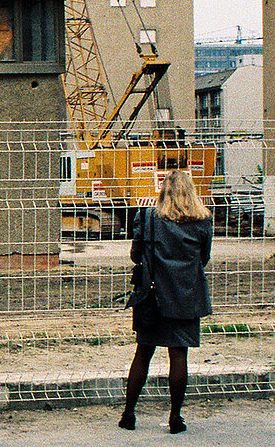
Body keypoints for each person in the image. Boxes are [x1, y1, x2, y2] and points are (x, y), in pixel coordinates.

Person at [122, 166, 212, 433]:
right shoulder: (203, 221)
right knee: (178, 355)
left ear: (163, 191)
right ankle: (175, 417)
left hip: (152, 295)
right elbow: (203, 259)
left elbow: (135, 255)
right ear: (191, 192)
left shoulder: (148, 217)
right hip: (186, 297)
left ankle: (128, 414)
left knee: (143, 353)